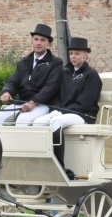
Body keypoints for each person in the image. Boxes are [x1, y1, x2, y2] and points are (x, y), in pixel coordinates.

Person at [33, 36, 102, 179]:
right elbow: (57, 95)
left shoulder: (91, 75)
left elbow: (86, 102)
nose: (73, 56)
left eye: (77, 53)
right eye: (71, 53)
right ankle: (41, 164)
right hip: (64, 112)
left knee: (56, 122)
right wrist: (57, 109)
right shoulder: (65, 73)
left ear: (85, 55)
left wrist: (62, 112)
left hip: (83, 114)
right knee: (38, 122)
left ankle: (59, 166)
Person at [0, 23, 63, 126]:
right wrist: (7, 92)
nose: (38, 43)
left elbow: (51, 87)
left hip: (43, 104)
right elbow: (13, 81)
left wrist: (33, 101)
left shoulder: (55, 63)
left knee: (22, 121)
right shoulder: (24, 62)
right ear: (32, 41)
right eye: (36, 39)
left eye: (42, 40)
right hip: (22, 103)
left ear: (49, 44)